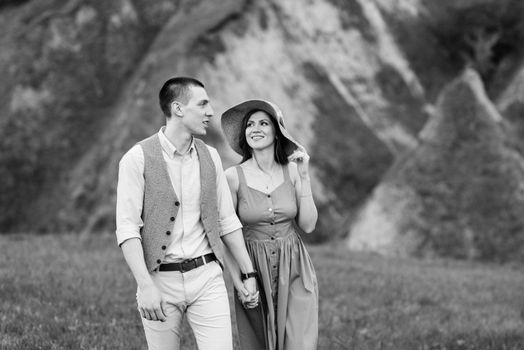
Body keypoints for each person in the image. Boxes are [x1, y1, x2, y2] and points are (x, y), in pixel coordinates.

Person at [115, 77, 258, 350]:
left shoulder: (211, 156)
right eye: (202, 104)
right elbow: (128, 228)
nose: (210, 112)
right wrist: (145, 286)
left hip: (207, 278)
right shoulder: (136, 159)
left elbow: (227, 220)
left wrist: (247, 275)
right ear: (178, 109)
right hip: (160, 280)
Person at [221, 100, 319, 350]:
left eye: (263, 123)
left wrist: (305, 177)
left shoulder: (293, 172)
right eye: (250, 125)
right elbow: (225, 234)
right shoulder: (233, 177)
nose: (255, 128)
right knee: (260, 343)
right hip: (253, 267)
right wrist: (238, 279)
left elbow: (308, 225)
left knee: (300, 342)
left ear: (277, 132)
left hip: (295, 266)